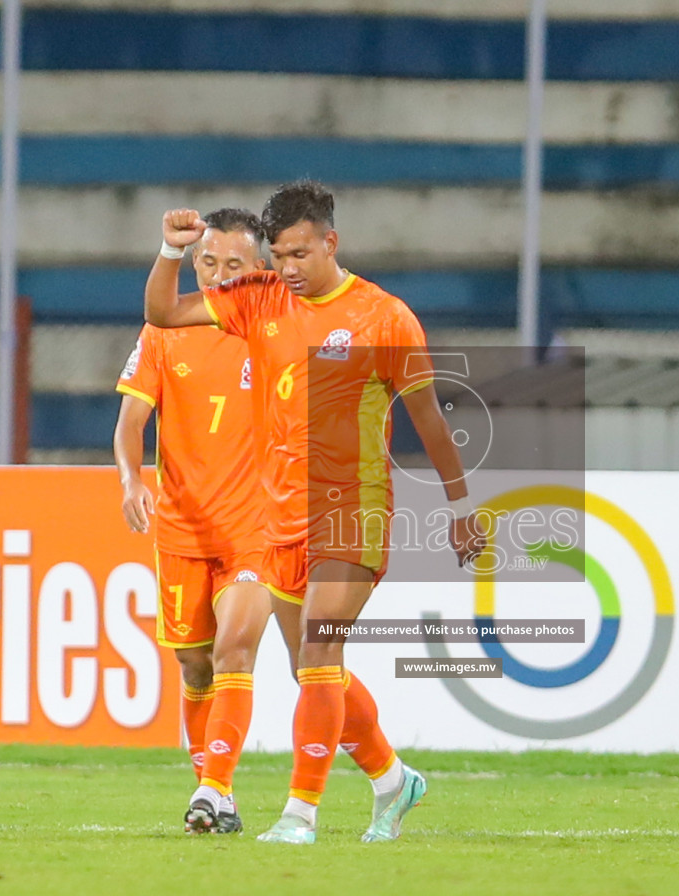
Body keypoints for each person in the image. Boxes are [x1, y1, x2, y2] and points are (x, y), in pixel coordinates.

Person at [145, 180, 483, 844]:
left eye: (301, 253)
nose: (290, 268)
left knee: (323, 644)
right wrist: (168, 250)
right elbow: (162, 313)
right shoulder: (260, 300)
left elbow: (429, 422)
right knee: (311, 666)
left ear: (331, 241)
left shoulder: (384, 318)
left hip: (354, 507)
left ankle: (301, 813)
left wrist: (461, 505)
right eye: (280, 254)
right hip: (280, 513)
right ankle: (392, 779)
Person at [114, 207, 270, 835]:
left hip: (256, 527)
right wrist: (130, 478)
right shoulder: (165, 331)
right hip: (182, 527)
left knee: (235, 650)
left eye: (234, 265)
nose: (219, 275)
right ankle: (213, 791)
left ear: (260, 271)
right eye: (209, 262)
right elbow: (129, 426)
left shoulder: (272, 325)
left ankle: (215, 791)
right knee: (195, 663)